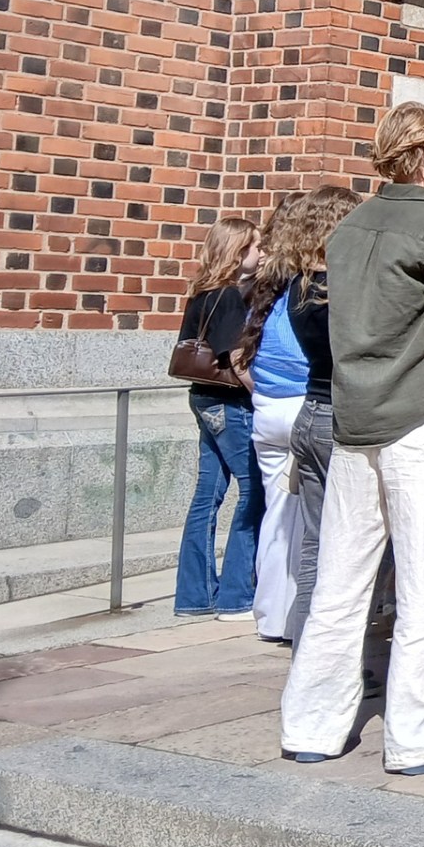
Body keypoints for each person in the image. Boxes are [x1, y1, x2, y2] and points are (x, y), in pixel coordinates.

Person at [277, 102, 424, 775]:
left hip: (354, 419)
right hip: (419, 418)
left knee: (341, 583)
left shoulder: (349, 228)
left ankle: (312, 725)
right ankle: (419, 736)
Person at [278, 186, 372, 648]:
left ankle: (306, 647)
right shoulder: (341, 289)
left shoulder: (300, 284)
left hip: (311, 410)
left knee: (315, 542)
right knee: (350, 548)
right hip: (341, 414)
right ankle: (335, 659)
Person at [172, 217, 262, 619]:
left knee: (206, 496)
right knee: (253, 491)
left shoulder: (200, 292)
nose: (261, 255)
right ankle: (236, 596)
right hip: (229, 403)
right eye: (255, 248)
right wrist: (262, 396)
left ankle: (194, 596)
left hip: (202, 398)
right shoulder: (226, 297)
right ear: (237, 252)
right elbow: (238, 359)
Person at [239, 191, 314, 641]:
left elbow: (243, 353)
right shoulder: (311, 285)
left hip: (267, 405)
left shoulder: (268, 281)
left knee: (277, 513)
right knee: (310, 518)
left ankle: (271, 614)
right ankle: (297, 616)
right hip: (304, 402)